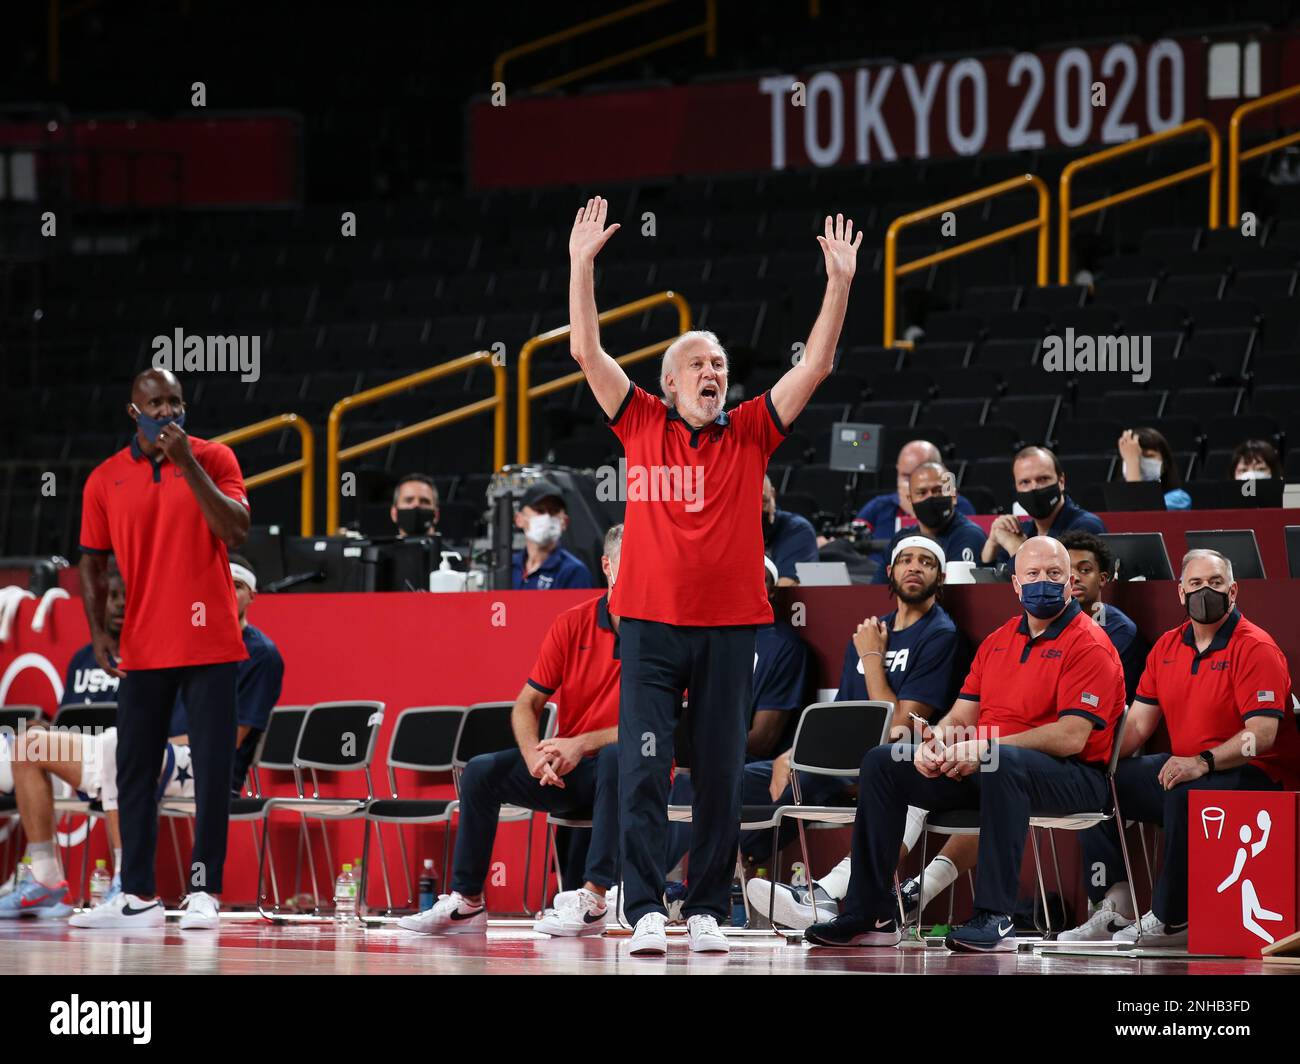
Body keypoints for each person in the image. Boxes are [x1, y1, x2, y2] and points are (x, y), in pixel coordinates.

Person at [568, 195, 863, 954]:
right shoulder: (638, 422)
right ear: (668, 384)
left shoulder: (753, 430)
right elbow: (587, 354)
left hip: (732, 628)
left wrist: (839, 283)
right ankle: (643, 910)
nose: (714, 371)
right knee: (642, 770)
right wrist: (580, 266)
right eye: (698, 363)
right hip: (652, 626)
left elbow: (819, 363)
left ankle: (704, 905)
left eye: (721, 364)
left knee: (724, 771)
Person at [805, 536, 1125, 953]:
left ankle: (996, 917)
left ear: (1069, 584)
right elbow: (961, 716)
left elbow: (1071, 736)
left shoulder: (1090, 643)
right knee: (885, 761)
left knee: (1001, 760)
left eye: (1053, 574)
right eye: (1032, 574)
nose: (1042, 582)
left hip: (1076, 777)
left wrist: (981, 748)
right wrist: (938, 741)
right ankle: (871, 914)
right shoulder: (998, 641)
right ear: (1015, 584)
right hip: (991, 766)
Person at [77, 368, 250, 929]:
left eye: (176, 401)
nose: (169, 412)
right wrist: (100, 631)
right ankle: (138, 895)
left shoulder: (216, 458)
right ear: (135, 412)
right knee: (132, 769)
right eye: (157, 403)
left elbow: (236, 531)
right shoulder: (105, 479)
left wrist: (188, 465)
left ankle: (205, 890)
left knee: (213, 766)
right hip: (144, 644)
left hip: (211, 641)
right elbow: (91, 561)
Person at [1059, 549, 1300, 946]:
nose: (1206, 591)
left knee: (1185, 793)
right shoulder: (1167, 647)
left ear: (1234, 591)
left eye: (1216, 583)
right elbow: (1137, 724)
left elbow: (1262, 735)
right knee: (1101, 783)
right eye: (1196, 584)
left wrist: (1203, 762)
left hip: (1261, 776)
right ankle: (1114, 904)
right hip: (1190, 768)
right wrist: (1097, 761)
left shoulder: (1256, 647)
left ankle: (1172, 918)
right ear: (1180, 592)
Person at [398, 525, 624, 939]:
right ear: (607, 566)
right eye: (632, 564)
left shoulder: (663, 630)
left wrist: (582, 743)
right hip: (574, 772)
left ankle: (593, 899)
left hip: (635, 770)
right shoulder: (572, 623)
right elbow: (526, 705)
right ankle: (467, 902)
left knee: (615, 757)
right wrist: (534, 755)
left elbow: (661, 724)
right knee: (482, 771)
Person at [743, 536, 962, 928]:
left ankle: (782, 878)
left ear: (940, 576)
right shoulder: (869, 632)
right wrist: (791, 752)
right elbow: (841, 716)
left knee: (808, 779)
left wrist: (873, 659)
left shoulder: (939, 635)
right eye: (906, 559)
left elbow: (902, 723)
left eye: (926, 562)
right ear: (890, 571)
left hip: (894, 763)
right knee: (736, 780)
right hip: (843, 759)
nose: (914, 567)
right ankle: (705, 889)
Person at [857, 440, 975, 573]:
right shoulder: (880, 505)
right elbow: (853, 539)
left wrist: (915, 510)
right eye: (905, 476)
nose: (913, 480)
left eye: (921, 472)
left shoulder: (958, 506)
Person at [1058, 531, 1148, 701]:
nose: (1075, 577)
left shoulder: (1120, 631)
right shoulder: (1049, 623)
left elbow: (1101, 694)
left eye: (1085, 570)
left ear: (1102, 579)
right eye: (1065, 571)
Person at [981, 446, 1105, 566]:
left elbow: (1057, 582)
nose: (1034, 488)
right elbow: (991, 584)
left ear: (1061, 482)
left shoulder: (1086, 527)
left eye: (1043, 479)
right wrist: (992, 544)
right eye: (1025, 482)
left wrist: (1017, 549)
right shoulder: (1021, 531)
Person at [874, 461, 984, 582]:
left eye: (938, 490)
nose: (930, 498)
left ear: (953, 495)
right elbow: (877, 591)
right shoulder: (901, 539)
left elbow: (956, 594)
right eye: (922, 493)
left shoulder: (969, 536)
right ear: (910, 500)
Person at [511, 481, 593, 590]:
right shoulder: (509, 567)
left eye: (554, 511)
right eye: (540, 510)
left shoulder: (573, 571)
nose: (547, 517)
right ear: (519, 519)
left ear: (565, 522)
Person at [1117, 428, 1191, 510]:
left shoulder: (1179, 499)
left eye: (1148, 456)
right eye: (1131, 455)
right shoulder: (1114, 498)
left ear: (1165, 462)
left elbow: (1138, 515)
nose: (1137, 462)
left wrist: (1132, 462)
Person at [763, 476, 818, 584]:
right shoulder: (726, 530)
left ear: (772, 495)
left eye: (763, 502)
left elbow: (783, 590)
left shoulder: (797, 530)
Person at [390, 472, 439, 537]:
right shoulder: (376, 547)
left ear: (436, 514)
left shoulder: (452, 547)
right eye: (408, 500)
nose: (416, 505)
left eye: (424, 501)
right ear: (394, 513)